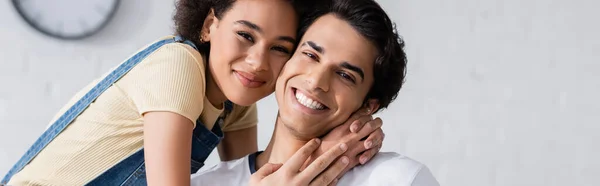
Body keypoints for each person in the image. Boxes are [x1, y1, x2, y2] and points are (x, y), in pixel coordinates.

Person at [2, 0, 385, 185]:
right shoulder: (178, 65)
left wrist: (344, 139)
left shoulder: (236, 101)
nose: (257, 63)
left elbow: (256, 173)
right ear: (208, 25)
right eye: (245, 35)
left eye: (280, 48)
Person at [190, 0, 440, 185]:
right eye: (310, 55)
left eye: (345, 75)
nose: (316, 81)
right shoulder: (204, 183)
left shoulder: (399, 180)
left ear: (369, 106)